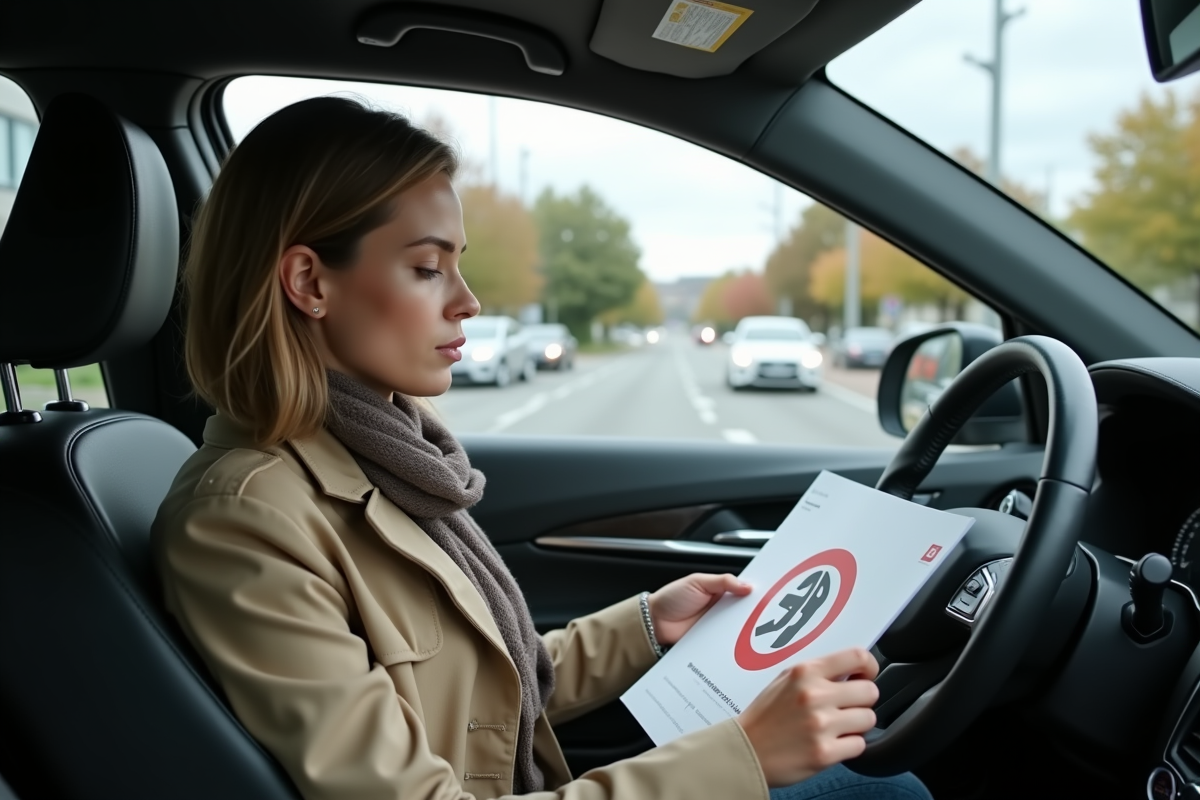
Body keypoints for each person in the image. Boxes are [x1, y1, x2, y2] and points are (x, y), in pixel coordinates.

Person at [152, 96, 931, 800]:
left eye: (458, 263)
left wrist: (647, 626)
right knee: (880, 790)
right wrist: (746, 757)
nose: (469, 301)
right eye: (428, 267)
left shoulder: (384, 461)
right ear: (310, 283)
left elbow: (483, 698)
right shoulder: (247, 520)